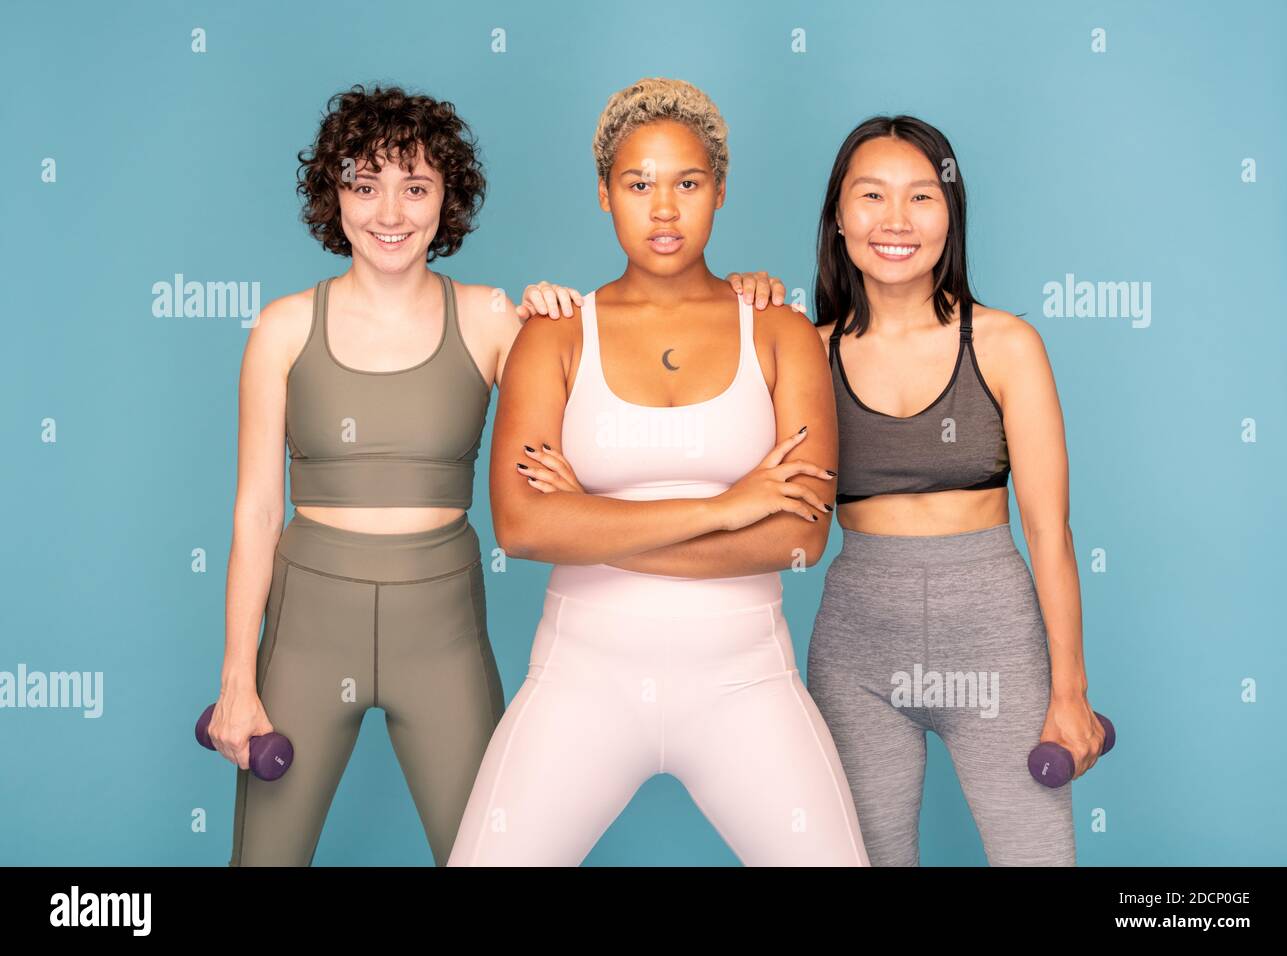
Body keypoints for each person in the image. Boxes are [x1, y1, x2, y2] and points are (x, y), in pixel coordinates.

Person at [447, 78, 869, 866]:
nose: (664, 208)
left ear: (720, 191)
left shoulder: (780, 331)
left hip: (747, 684)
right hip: (582, 682)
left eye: (688, 183)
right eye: (638, 184)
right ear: (605, 194)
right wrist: (727, 506)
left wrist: (591, 521)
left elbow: (801, 539)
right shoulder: (556, 335)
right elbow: (524, 525)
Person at [212, 84, 578, 866]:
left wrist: (566, 334)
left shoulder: (491, 319)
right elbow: (254, 515)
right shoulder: (282, 327)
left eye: (416, 187)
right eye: (365, 183)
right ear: (333, 194)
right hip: (309, 628)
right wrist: (238, 681)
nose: (390, 212)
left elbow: (592, 445)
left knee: (492, 858)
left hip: (442, 628)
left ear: (448, 198)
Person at [738, 116, 1105, 865]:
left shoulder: (1006, 345)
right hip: (857, 653)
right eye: (871, 196)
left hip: (996, 645)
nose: (896, 221)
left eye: (921, 198)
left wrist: (1069, 691)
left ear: (950, 214)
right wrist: (739, 310)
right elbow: (716, 439)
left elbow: (1049, 533)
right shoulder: (802, 351)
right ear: (838, 216)